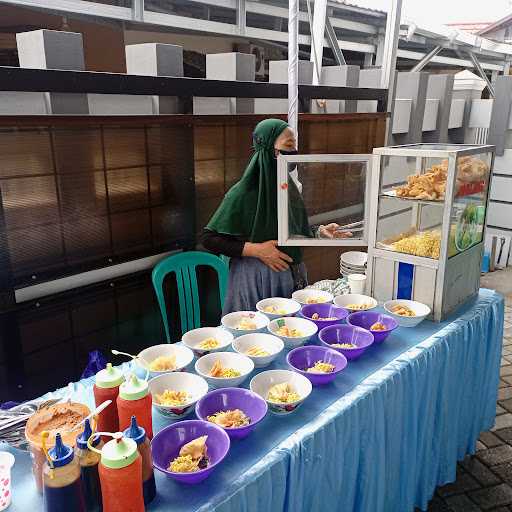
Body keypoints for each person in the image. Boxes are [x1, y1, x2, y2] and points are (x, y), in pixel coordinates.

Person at [201, 118, 351, 314]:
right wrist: (256, 250)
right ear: (269, 150)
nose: (294, 153)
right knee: (257, 337)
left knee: (292, 332)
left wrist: (319, 233)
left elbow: (289, 230)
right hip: (255, 279)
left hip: (291, 274)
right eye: (288, 146)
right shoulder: (243, 193)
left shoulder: (287, 187)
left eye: (295, 146)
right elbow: (209, 239)